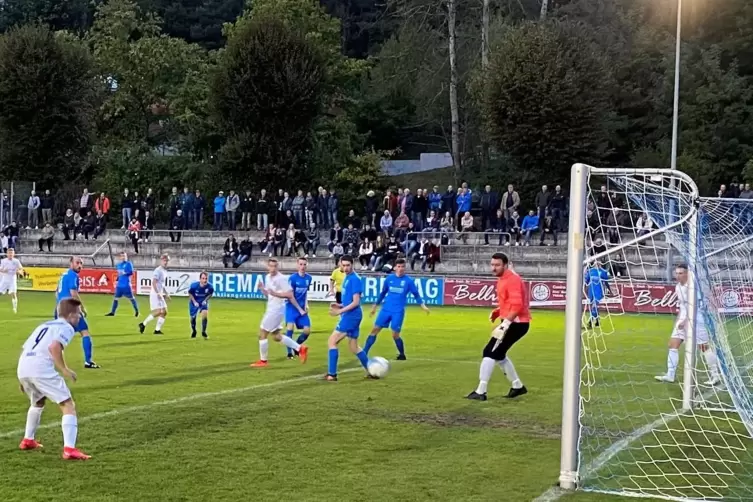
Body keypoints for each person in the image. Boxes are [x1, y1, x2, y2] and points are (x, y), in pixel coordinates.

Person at [17, 298, 91, 460]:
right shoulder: (66, 327)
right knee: (67, 404)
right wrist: (64, 369)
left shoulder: (44, 325)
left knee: (38, 401)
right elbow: (54, 347)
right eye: (78, 315)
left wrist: (22, 378)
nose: (79, 318)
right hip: (40, 368)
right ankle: (69, 449)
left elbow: (26, 348)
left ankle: (28, 440)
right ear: (71, 315)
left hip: (24, 366)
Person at [467, 253, 530, 401]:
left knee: (489, 352)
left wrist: (505, 324)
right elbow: (508, 302)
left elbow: (517, 305)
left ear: (505, 265)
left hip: (516, 323)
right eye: (492, 265)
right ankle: (517, 386)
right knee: (499, 354)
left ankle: (481, 391)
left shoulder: (512, 279)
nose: (493, 268)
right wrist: (498, 312)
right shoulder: (503, 278)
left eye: (497, 265)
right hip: (513, 322)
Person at [655, 264, 720, 385]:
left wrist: (686, 321)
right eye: (676, 273)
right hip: (683, 320)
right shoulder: (678, 287)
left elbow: (695, 306)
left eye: (680, 273)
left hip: (698, 319)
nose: (678, 276)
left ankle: (715, 375)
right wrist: (679, 320)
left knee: (703, 347)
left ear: (687, 274)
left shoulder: (694, 287)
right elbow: (683, 306)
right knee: (672, 344)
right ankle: (670, 375)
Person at [364, 258, 430, 360]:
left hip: (398, 311)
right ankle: (364, 353)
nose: (400, 269)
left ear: (405, 267)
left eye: (402, 266)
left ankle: (402, 354)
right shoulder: (389, 279)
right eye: (398, 267)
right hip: (385, 310)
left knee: (395, 335)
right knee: (374, 330)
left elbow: (416, 294)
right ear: (395, 267)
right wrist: (375, 306)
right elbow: (383, 293)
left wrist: (423, 305)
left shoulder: (408, 281)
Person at [250, 258, 309, 367]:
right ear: (268, 267)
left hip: (276, 310)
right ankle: (300, 348)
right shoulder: (267, 277)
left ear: (278, 267)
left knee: (262, 333)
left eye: (275, 266)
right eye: (271, 266)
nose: (273, 268)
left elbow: (289, 294)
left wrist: (275, 293)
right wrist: (262, 289)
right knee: (276, 336)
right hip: (271, 308)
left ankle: (263, 361)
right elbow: (269, 295)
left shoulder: (281, 279)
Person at [325, 255, 370, 381]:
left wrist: (340, 311)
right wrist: (340, 305)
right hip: (352, 315)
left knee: (332, 341)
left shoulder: (355, 279)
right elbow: (349, 300)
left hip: (351, 316)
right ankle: (371, 370)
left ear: (353, 264)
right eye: (343, 265)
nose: (345, 268)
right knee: (354, 347)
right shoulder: (347, 278)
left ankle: (332, 374)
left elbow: (356, 302)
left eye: (348, 265)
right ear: (340, 264)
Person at [55, 256, 99, 369]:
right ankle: (88, 361)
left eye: (81, 263)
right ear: (71, 263)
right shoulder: (72, 275)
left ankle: (47, 359)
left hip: (59, 308)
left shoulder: (64, 274)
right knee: (85, 332)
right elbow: (73, 293)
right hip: (70, 308)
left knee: (57, 337)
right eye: (77, 263)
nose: (80, 265)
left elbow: (56, 292)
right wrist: (81, 308)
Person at [284, 258, 313, 359]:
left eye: (304, 264)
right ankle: (289, 353)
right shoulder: (292, 278)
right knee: (290, 328)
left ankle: (296, 346)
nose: (303, 266)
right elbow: (290, 296)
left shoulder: (309, 278)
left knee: (307, 331)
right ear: (297, 265)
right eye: (301, 264)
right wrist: (299, 309)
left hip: (301, 307)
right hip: (291, 307)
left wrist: (306, 305)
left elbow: (305, 294)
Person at [138, 254, 170, 335]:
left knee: (165, 311)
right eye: (164, 260)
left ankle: (157, 330)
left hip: (160, 293)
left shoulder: (164, 271)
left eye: (167, 261)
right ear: (161, 260)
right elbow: (154, 283)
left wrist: (166, 293)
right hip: (155, 294)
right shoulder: (158, 270)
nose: (165, 262)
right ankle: (143, 323)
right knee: (159, 311)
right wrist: (158, 293)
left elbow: (162, 284)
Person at [106, 252, 139, 317]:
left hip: (126, 285)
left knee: (132, 298)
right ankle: (112, 312)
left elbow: (131, 272)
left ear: (126, 257)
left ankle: (137, 311)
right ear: (120, 257)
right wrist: (117, 280)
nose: (123, 257)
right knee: (116, 298)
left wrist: (125, 273)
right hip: (119, 285)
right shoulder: (119, 265)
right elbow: (119, 274)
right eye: (122, 256)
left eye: (124, 256)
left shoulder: (129, 264)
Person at [585, 262, 611, 328]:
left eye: (598, 264)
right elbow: (586, 282)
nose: (597, 265)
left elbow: (606, 282)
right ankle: (597, 322)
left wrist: (609, 290)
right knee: (593, 307)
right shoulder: (590, 271)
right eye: (596, 264)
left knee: (594, 306)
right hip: (591, 291)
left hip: (598, 291)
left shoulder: (603, 272)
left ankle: (590, 322)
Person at [188, 272, 214, 339]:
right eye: (203, 278)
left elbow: (210, 294)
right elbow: (190, 293)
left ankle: (203, 332)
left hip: (203, 301)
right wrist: (194, 302)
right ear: (200, 279)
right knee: (193, 318)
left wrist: (205, 300)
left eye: (206, 279)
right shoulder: (194, 286)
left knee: (205, 314)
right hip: (194, 301)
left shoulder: (210, 287)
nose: (204, 280)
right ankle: (194, 331)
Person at [0, 248, 23, 313]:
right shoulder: (3, 261)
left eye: (11, 253)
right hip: (5, 279)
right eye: (9, 253)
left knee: (13, 293)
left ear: (14, 254)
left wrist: (19, 271)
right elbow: (0, 269)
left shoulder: (16, 261)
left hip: (12, 279)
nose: (10, 254)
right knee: (0, 292)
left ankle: (15, 308)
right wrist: (3, 270)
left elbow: (21, 269)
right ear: (7, 254)